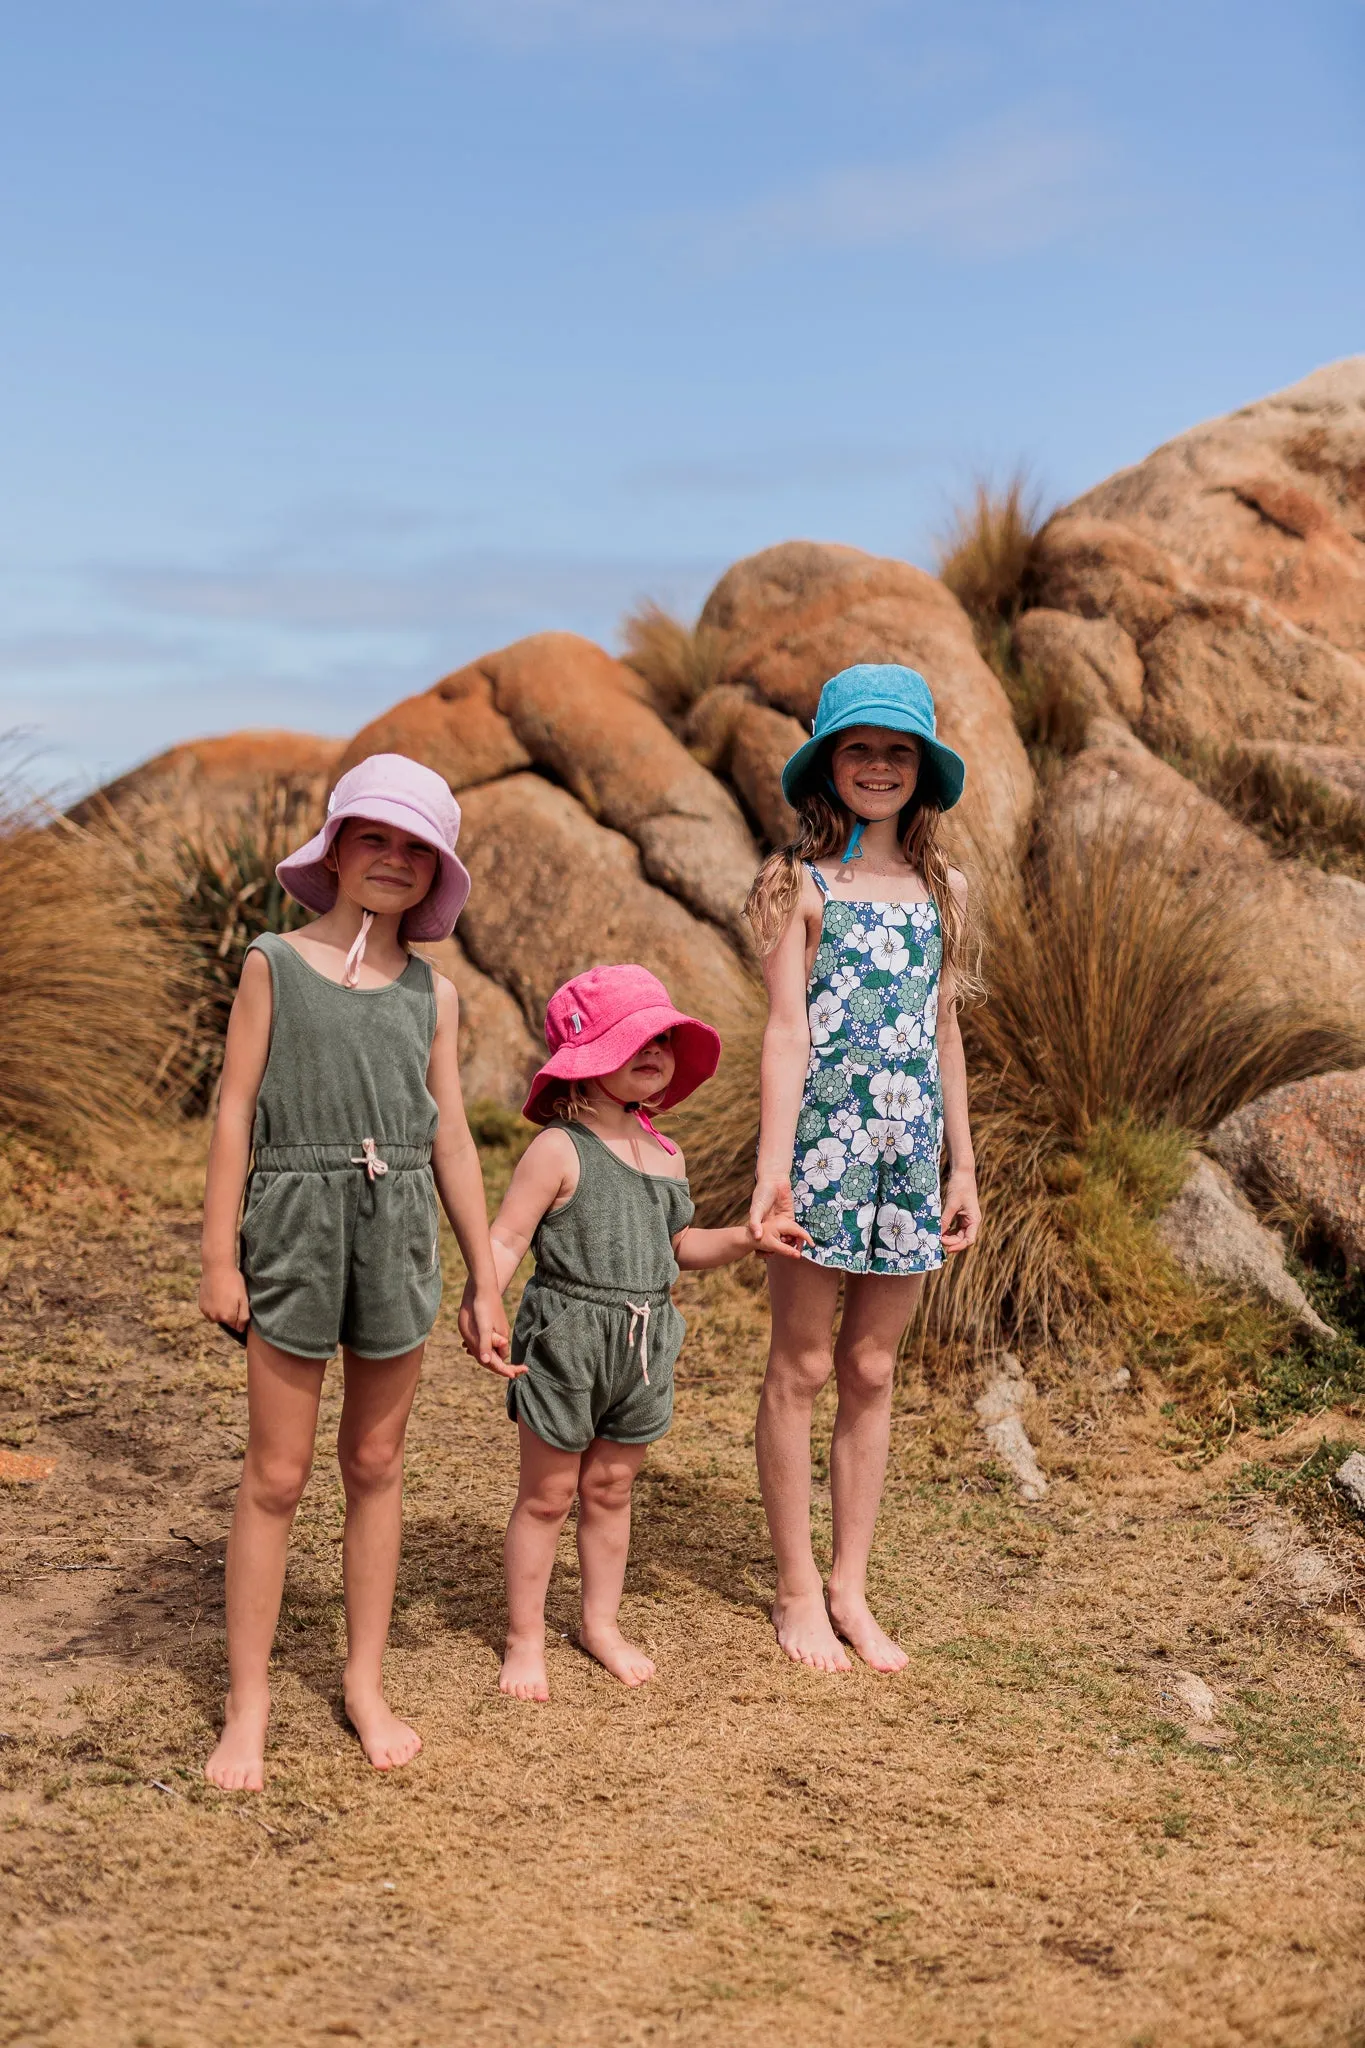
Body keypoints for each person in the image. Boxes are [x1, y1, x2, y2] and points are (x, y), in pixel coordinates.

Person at [198, 754, 508, 1790]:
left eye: (418, 848)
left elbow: (454, 1137)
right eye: (376, 836)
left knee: (375, 1462)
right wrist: (216, 1251)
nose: (395, 859)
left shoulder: (435, 995)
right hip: (290, 1226)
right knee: (276, 1473)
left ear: (435, 875)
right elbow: (235, 1107)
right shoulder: (271, 965)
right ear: (334, 848)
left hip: (398, 1230)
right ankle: (249, 1701)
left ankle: (364, 1681)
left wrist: (484, 1276)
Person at [473, 963, 808, 1702]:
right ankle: (524, 1637)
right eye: (635, 1040)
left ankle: (600, 1623)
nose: (655, 1051)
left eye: (664, 1039)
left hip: (645, 1342)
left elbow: (680, 1248)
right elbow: (504, 1239)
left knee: (613, 1484)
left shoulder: (666, 1154)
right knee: (548, 1494)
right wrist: (483, 1304)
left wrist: (750, 1238)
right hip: (567, 1336)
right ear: (584, 1060)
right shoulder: (558, 1149)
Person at [745, 665, 982, 1675]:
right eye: (858, 748)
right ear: (826, 766)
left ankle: (851, 1580)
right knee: (800, 1365)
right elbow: (786, 1032)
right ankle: (797, 1587)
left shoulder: (944, 891)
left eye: (897, 751)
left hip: (908, 1156)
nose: (878, 766)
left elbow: (943, 1030)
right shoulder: (798, 885)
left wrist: (962, 1163)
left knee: (873, 1369)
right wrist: (772, 1171)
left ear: (920, 770)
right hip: (823, 1151)